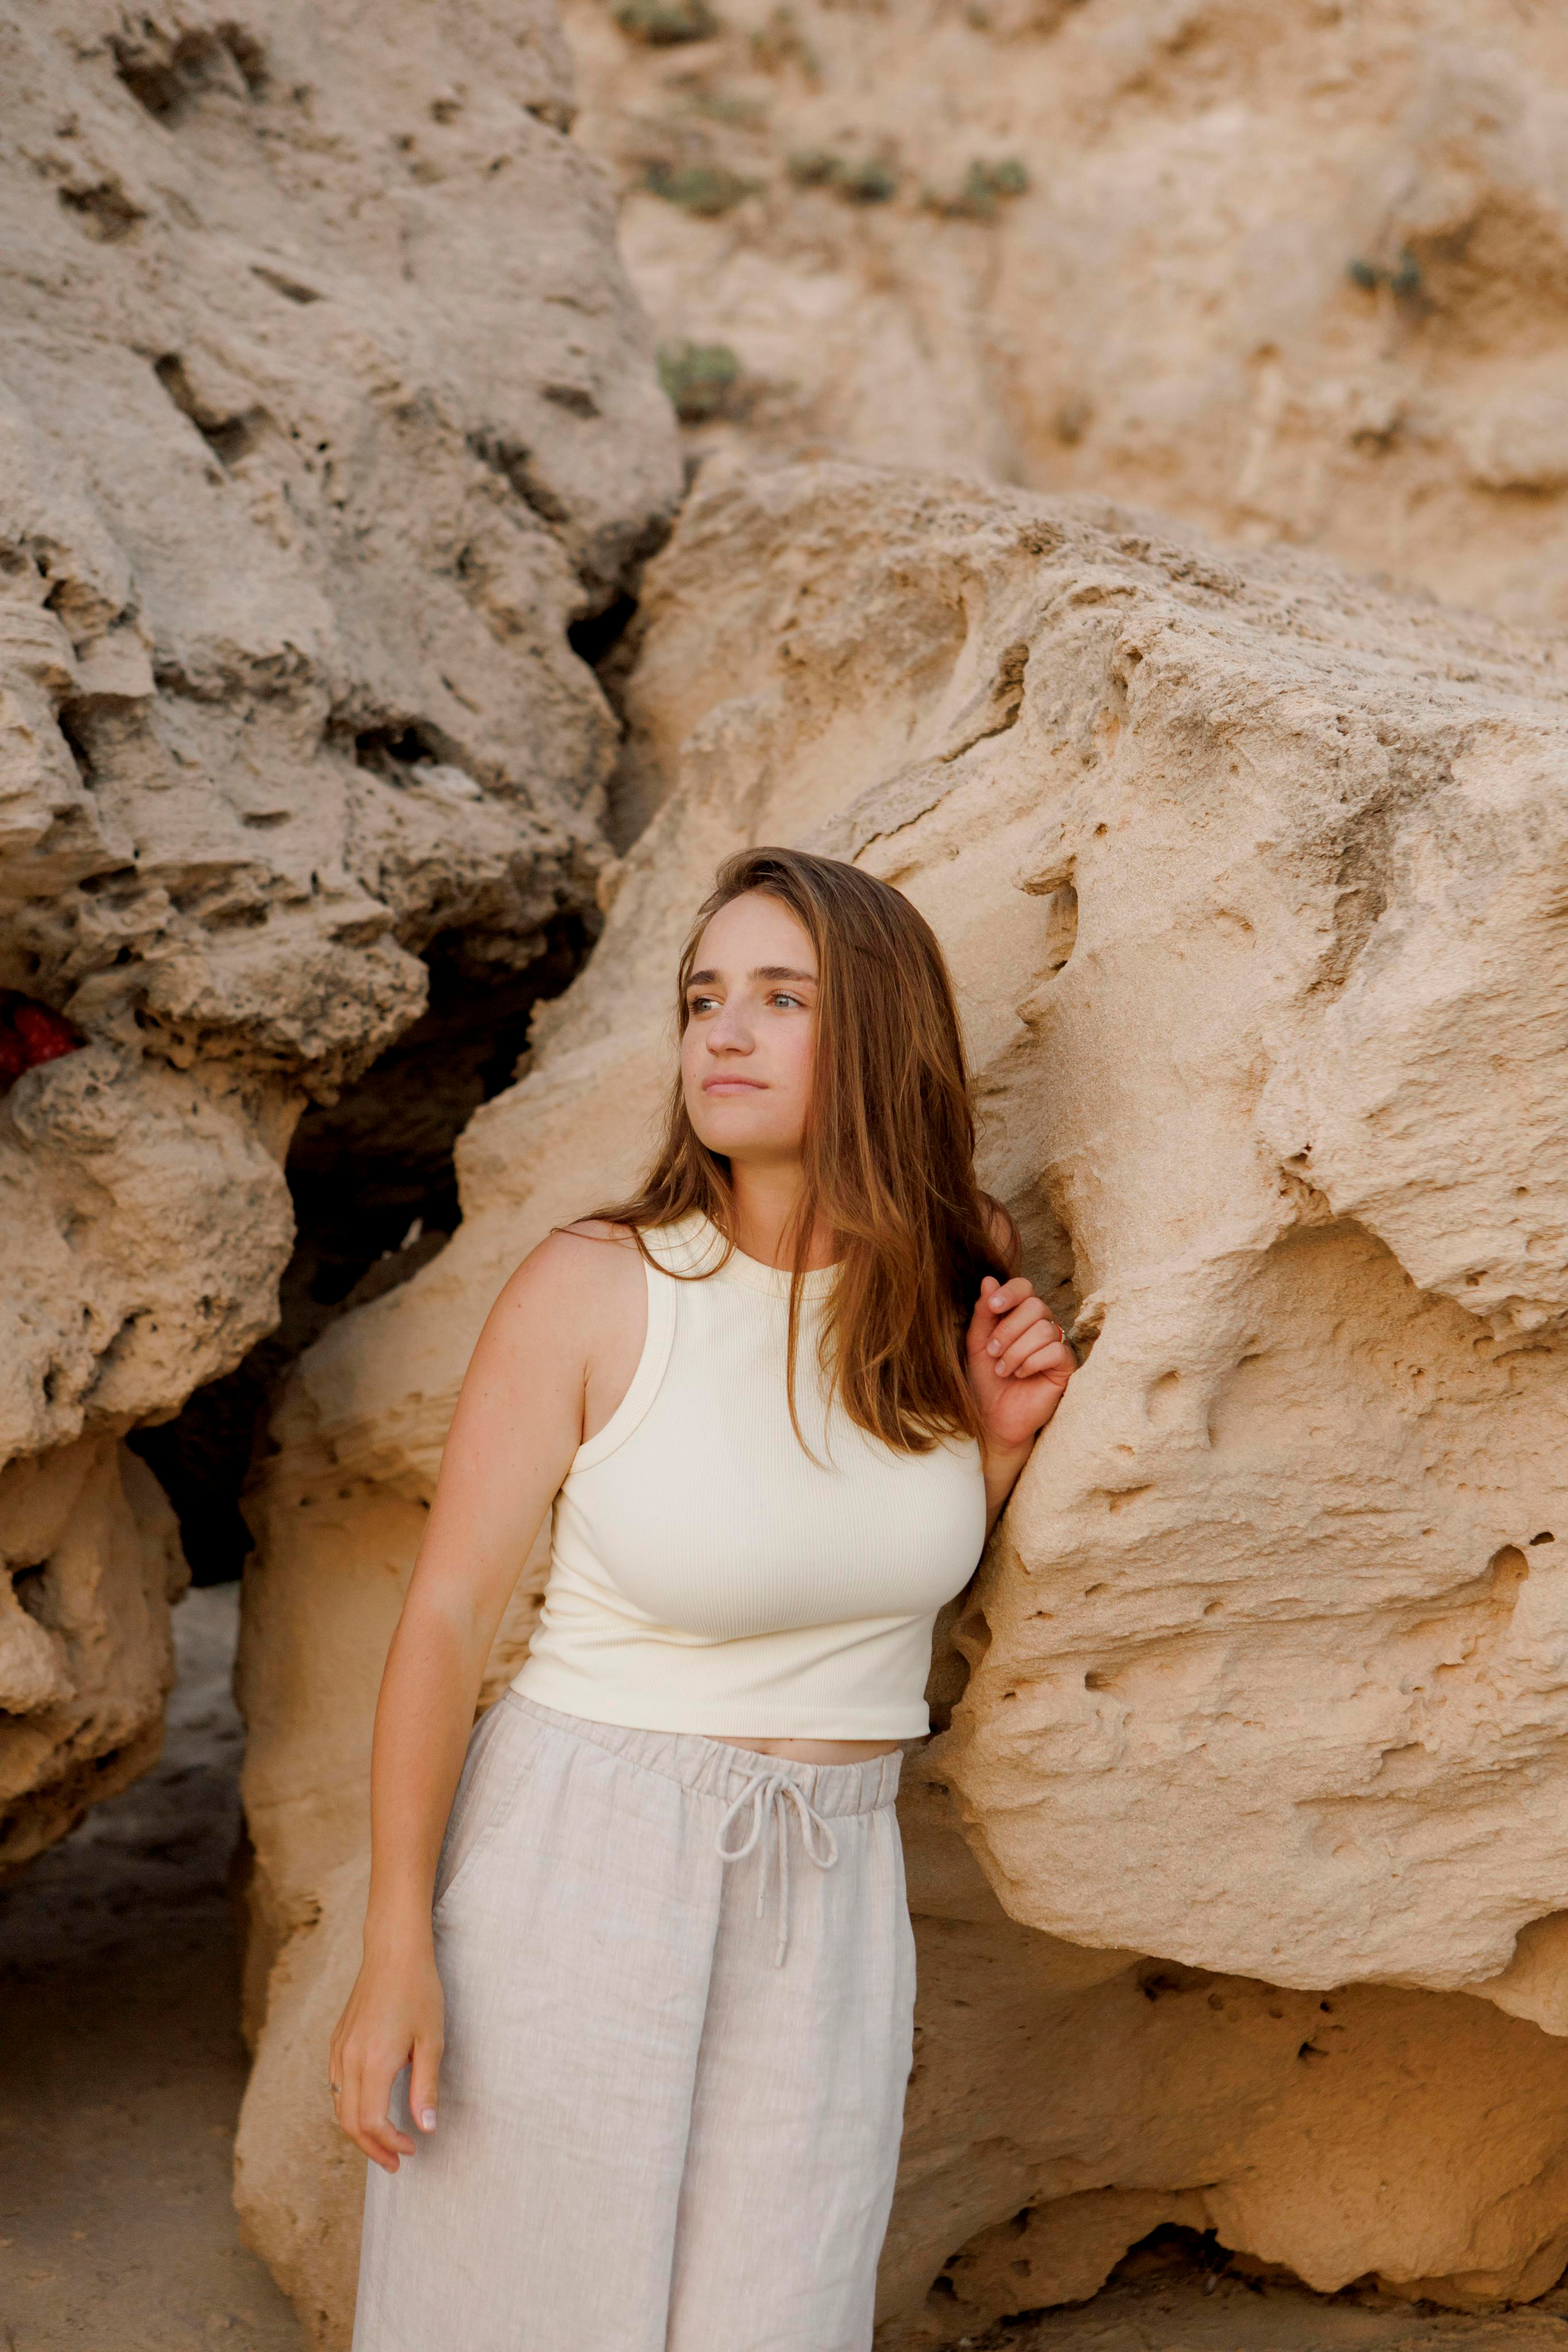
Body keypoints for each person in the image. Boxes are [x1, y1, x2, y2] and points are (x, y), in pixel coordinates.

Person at [331, 845, 1077, 2352]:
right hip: (584, 1862)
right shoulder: (599, 1287)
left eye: (778, 997)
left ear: (873, 1032)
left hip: (834, 1889)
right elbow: (444, 1619)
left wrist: (993, 1454)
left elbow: (874, 1597)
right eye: (701, 998)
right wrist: (394, 1947)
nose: (721, 1035)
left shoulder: (952, 1275)